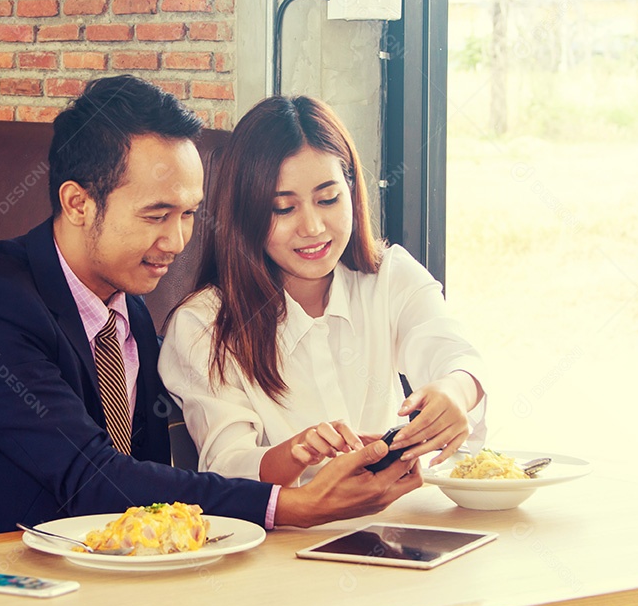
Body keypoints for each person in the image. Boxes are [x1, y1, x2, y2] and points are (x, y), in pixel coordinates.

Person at [0, 77, 421, 545]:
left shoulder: (129, 310)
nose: (176, 241)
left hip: (99, 586)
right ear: (78, 203)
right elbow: (91, 477)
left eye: (189, 214)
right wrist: (290, 505)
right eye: (157, 215)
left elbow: (144, 487)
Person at [158, 96, 487, 487]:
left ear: (351, 191)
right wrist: (297, 452)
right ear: (245, 213)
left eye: (328, 199)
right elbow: (227, 463)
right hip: (286, 541)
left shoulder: (389, 276)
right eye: (283, 208)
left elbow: (453, 352)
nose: (312, 227)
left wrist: (454, 390)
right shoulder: (203, 324)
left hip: (396, 524)